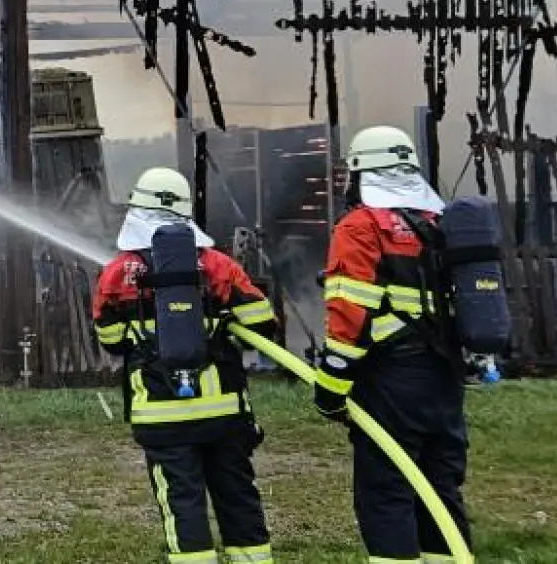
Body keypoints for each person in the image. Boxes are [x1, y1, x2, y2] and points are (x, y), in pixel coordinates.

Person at [94, 167, 280, 564]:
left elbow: (110, 342)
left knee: (182, 502)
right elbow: (262, 321)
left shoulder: (117, 273)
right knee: (238, 496)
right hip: (224, 414)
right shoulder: (218, 266)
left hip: (161, 416)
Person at [314, 125, 472, 564]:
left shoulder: (362, 226)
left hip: (391, 378)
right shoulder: (443, 224)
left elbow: (349, 314)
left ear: (363, 174)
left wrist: (331, 387)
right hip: (445, 376)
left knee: (387, 490)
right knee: (440, 485)